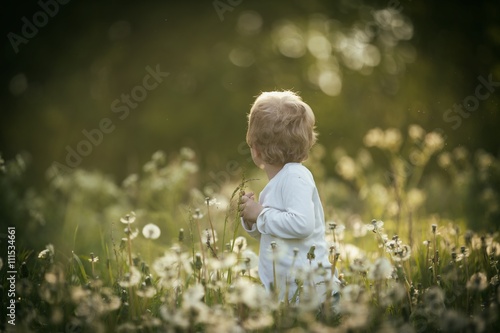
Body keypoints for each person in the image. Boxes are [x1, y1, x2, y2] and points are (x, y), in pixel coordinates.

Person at [239, 90, 340, 303]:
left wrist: (260, 214)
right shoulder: (278, 182)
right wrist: (252, 219)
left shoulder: (295, 176)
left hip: (314, 295)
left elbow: (301, 225)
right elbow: (274, 235)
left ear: (255, 149)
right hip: (290, 295)